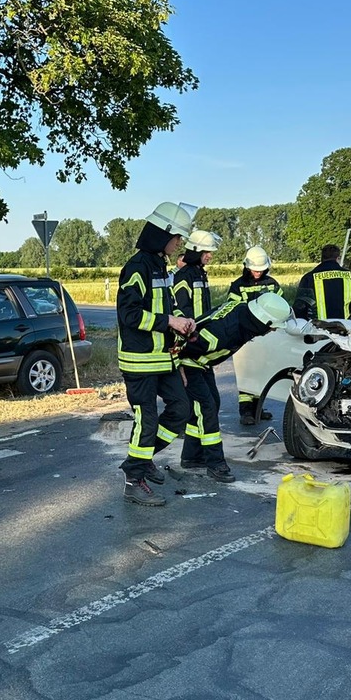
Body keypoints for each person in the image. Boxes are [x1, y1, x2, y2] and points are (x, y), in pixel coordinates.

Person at [117, 201, 197, 507]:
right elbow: (129, 314)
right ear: (163, 233)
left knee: (181, 409)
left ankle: (143, 457)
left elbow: (166, 307)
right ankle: (133, 479)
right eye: (177, 237)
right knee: (147, 420)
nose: (179, 244)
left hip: (164, 360)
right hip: (139, 361)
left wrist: (179, 322)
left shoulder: (159, 267)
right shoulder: (136, 267)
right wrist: (169, 322)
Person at [174, 293, 293, 482]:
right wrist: (177, 366)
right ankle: (216, 464)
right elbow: (180, 346)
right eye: (271, 327)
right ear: (262, 321)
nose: (271, 332)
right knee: (207, 408)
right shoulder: (222, 334)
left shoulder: (240, 309)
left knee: (212, 403)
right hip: (188, 362)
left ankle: (192, 456)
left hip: (201, 363)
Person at [227, 246, 282, 424]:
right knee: (247, 373)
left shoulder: (272, 284)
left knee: (262, 373)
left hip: (267, 337)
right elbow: (232, 311)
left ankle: (258, 409)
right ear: (247, 266)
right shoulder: (237, 286)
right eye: (255, 269)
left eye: (261, 269)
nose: (258, 272)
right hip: (245, 337)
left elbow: (281, 307)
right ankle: (246, 412)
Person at [293, 243, 351, 322]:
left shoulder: (309, 278)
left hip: (317, 329)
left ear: (322, 258)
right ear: (338, 258)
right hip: (346, 329)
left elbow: (300, 308)